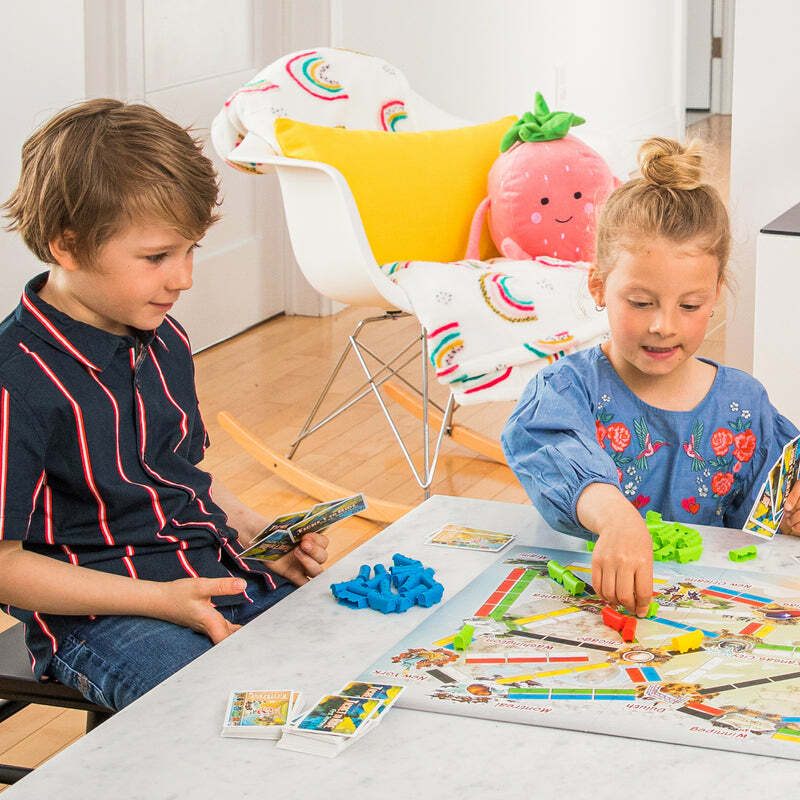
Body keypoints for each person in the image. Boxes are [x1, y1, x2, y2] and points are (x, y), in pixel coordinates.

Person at [0, 99, 329, 711]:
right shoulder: (15, 379)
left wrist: (259, 534)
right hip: (104, 618)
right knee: (215, 710)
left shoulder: (164, 337)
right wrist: (161, 599)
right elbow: (4, 566)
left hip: (208, 572)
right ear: (67, 246)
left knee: (350, 660)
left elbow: (178, 472)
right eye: (157, 257)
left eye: (190, 250)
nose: (184, 278)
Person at [501, 137, 800, 619]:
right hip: (584, 610)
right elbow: (550, 453)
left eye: (690, 305)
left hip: (703, 618)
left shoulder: (745, 403)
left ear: (716, 293)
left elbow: (769, 509)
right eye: (641, 303)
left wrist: (789, 513)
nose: (664, 325)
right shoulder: (564, 391)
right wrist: (615, 518)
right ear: (599, 286)